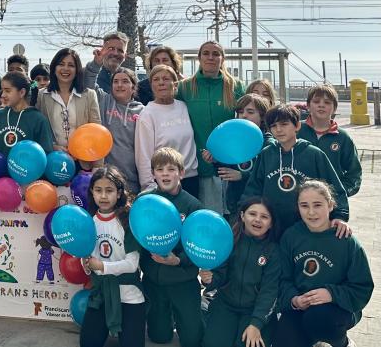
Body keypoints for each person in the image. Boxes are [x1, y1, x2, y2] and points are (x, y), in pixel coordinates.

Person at [274, 180, 373, 347]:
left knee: (319, 319)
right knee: (283, 341)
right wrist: (294, 299)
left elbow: (362, 286)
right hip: (300, 306)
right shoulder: (291, 236)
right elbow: (282, 278)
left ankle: (342, 343)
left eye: (318, 205)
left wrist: (331, 294)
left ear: (330, 205)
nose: (311, 212)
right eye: (304, 206)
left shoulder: (345, 241)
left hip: (335, 310)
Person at [241, 104, 350, 233]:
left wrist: (339, 216)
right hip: (271, 226)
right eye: (274, 126)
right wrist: (245, 212)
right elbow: (253, 187)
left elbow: (334, 188)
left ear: (297, 126)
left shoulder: (314, 154)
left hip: (306, 227)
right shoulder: (266, 154)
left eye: (284, 124)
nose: (279, 130)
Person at [138, 147, 204, 347]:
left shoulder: (193, 206)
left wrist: (178, 260)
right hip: (154, 280)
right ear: (153, 174)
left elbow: (199, 246)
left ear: (181, 173)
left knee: (193, 340)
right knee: (159, 337)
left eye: (171, 169)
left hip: (182, 279)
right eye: (159, 169)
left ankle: (201, 313)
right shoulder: (144, 202)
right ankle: (165, 318)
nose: (165, 173)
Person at [199, 197, 281, 347]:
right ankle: (208, 310)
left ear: (271, 223)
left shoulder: (274, 251)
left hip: (254, 310)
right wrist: (211, 279)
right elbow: (220, 274)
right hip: (226, 304)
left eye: (264, 217)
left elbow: (270, 291)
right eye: (252, 214)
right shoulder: (229, 240)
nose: (257, 220)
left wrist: (256, 323)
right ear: (243, 216)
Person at [80, 166, 146, 347]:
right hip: (101, 293)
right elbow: (85, 254)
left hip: (129, 294)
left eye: (109, 191)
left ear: (118, 193)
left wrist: (101, 266)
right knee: (88, 343)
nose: (103, 196)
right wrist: (85, 263)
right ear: (92, 192)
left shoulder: (127, 220)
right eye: (98, 190)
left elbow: (132, 264)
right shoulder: (88, 221)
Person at [178, 40, 245, 213]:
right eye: (206, 53)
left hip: (228, 167)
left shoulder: (236, 86)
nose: (211, 57)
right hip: (196, 168)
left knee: (232, 217)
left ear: (223, 59)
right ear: (199, 58)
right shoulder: (185, 87)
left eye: (216, 54)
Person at [205, 93, 274, 215]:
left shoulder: (268, 143)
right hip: (236, 203)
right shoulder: (234, 140)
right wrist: (215, 160)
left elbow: (269, 174)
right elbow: (226, 171)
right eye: (241, 112)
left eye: (250, 112)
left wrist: (243, 175)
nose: (244, 115)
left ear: (262, 116)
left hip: (261, 205)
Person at [85, 55, 144, 194]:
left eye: (125, 81)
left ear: (133, 86)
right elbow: (89, 81)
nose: (119, 85)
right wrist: (96, 63)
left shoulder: (143, 111)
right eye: (116, 81)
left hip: (132, 181)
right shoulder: (104, 101)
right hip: (105, 178)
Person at [135, 64, 198, 195]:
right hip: (162, 182)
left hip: (190, 178)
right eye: (156, 80)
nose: (161, 83)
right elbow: (143, 155)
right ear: (151, 86)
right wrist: (148, 186)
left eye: (166, 78)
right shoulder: (147, 114)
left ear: (175, 84)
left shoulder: (184, 107)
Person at [298, 84, 361, 197]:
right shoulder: (296, 131)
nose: (321, 105)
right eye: (316, 101)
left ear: (334, 108)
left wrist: (340, 193)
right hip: (297, 200)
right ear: (308, 105)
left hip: (331, 204)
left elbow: (354, 173)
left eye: (327, 102)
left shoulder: (342, 137)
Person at [37, 48, 101, 152]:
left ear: (77, 70)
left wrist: (98, 165)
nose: (65, 68)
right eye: (61, 64)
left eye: (71, 65)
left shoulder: (89, 95)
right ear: (54, 67)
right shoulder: (42, 95)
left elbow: (97, 132)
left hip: (83, 159)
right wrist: (52, 146)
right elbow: (38, 131)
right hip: (53, 160)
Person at [0, 71, 53, 156]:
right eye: (2, 90)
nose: (2, 95)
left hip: (27, 168)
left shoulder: (39, 120)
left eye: (7, 91)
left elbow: (45, 153)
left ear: (22, 92)